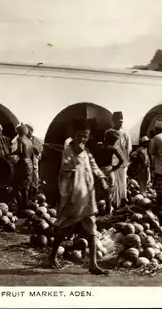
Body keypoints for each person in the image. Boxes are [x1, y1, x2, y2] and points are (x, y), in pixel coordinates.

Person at [48, 118, 110, 275]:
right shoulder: (67, 151)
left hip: (87, 199)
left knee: (92, 232)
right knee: (62, 230)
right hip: (72, 199)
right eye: (79, 136)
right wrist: (77, 156)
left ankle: (93, 264)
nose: (82, 139)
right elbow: (67, 168)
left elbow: (94, 167)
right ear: (73, 136)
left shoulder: (87, 152)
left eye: (85, 136)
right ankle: (52, 256)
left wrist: (102, 178)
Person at [93, 129, 124, 213]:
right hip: (109, 170)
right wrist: (114, 168)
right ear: (112, 140)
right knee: (109, 191)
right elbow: (122, 161)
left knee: (98, 190)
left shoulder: (97, 147)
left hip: (99, 171)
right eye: (114, 140)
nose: (115, 142)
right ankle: (108, 209)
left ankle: (97, 211)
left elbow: (93, 158)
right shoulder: (112, 149)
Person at [8, 123, 35, 211]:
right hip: (29, 163)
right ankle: (26, 205)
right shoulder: (29, 140)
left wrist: (9, 154)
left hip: (23, 162)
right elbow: (31, 154)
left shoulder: (20, 139)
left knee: (17, 185)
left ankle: (21, 207)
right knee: (26, 185)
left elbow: (20, 151)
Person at [111, 111, 132, 208]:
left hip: (122, 162)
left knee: (122, 182)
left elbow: (129, 148)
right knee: (114, 182)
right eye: (118, 121)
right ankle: (115, 203)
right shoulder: (109, 132)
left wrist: (125, 161)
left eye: (121, 121)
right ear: (113, 121)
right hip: (112, 162)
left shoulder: (125, 133)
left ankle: (122, 202)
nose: (120, 123)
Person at [25, 123, 43, 196]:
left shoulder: (37, 140)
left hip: (34, 164)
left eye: (29, 131)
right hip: (25, 165)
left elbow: (39, 153)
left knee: (34, 180)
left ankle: (34, 197)